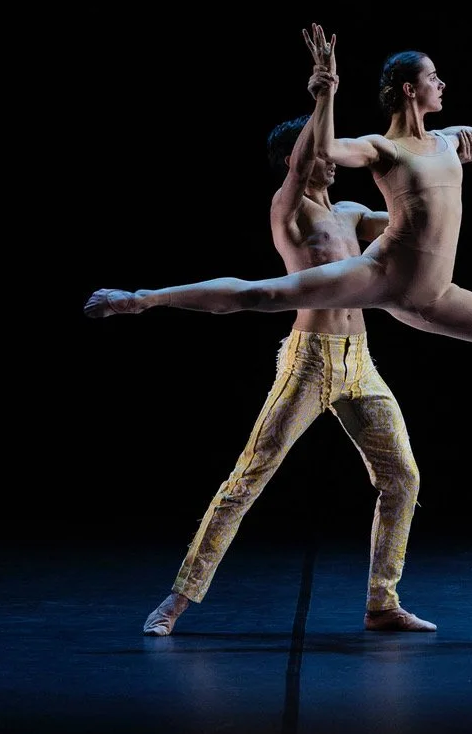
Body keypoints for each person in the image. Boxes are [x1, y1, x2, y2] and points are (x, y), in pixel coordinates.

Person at [85, 23, 472, 382]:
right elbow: (319, 151)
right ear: (411, 88)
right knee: (261, 295)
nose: (443, 84)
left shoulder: (451, 139)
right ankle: (140, 299)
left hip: (431, 295)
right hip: (381, 274)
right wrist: (325, 93)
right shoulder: (380, 148)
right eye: (434, 77)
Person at [138, 64, 436, 636]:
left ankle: (382, 602)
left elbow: (413, 221)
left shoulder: (350, 214)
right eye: (320, 151)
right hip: (309, 362)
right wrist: (325, 95)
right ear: (297, 158)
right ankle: (176, 601)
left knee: (403, 478)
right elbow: (301, 167)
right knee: (248, 479)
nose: (332, 158)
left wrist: (440, 165)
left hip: (360, 361)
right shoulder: (289, 209)